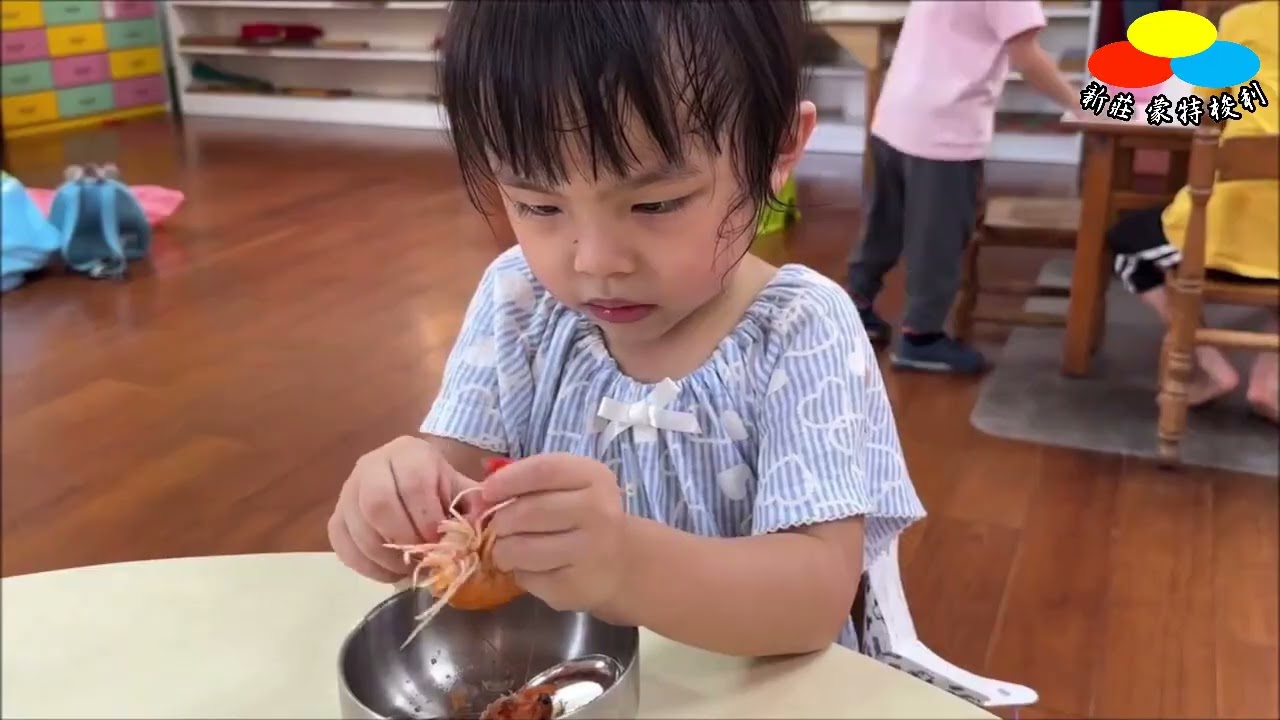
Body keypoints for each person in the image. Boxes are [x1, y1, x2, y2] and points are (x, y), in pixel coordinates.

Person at [328, 1, 925, 658]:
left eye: (655, 203)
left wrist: (626, 566)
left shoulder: (799, 330)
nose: (595, 262)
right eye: (537, 205)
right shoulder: (518, 298)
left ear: (779, 147)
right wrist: (401, 491)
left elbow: (812, 601)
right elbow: (451, 481)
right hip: (559, 671)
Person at [847, 1, 1087, 373]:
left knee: (885, 223)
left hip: (895, 113)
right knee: (939, 237)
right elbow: (1026, 56)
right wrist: (1082, 102)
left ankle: (857, 306)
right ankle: (921, 337)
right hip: (943, 126)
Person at [1107, 0, 1279, 422]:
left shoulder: (1243, 21)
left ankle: (1211, 363)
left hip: (1231, 226)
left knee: (1126, 244)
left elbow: (1203, 101)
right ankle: (1269, 381)